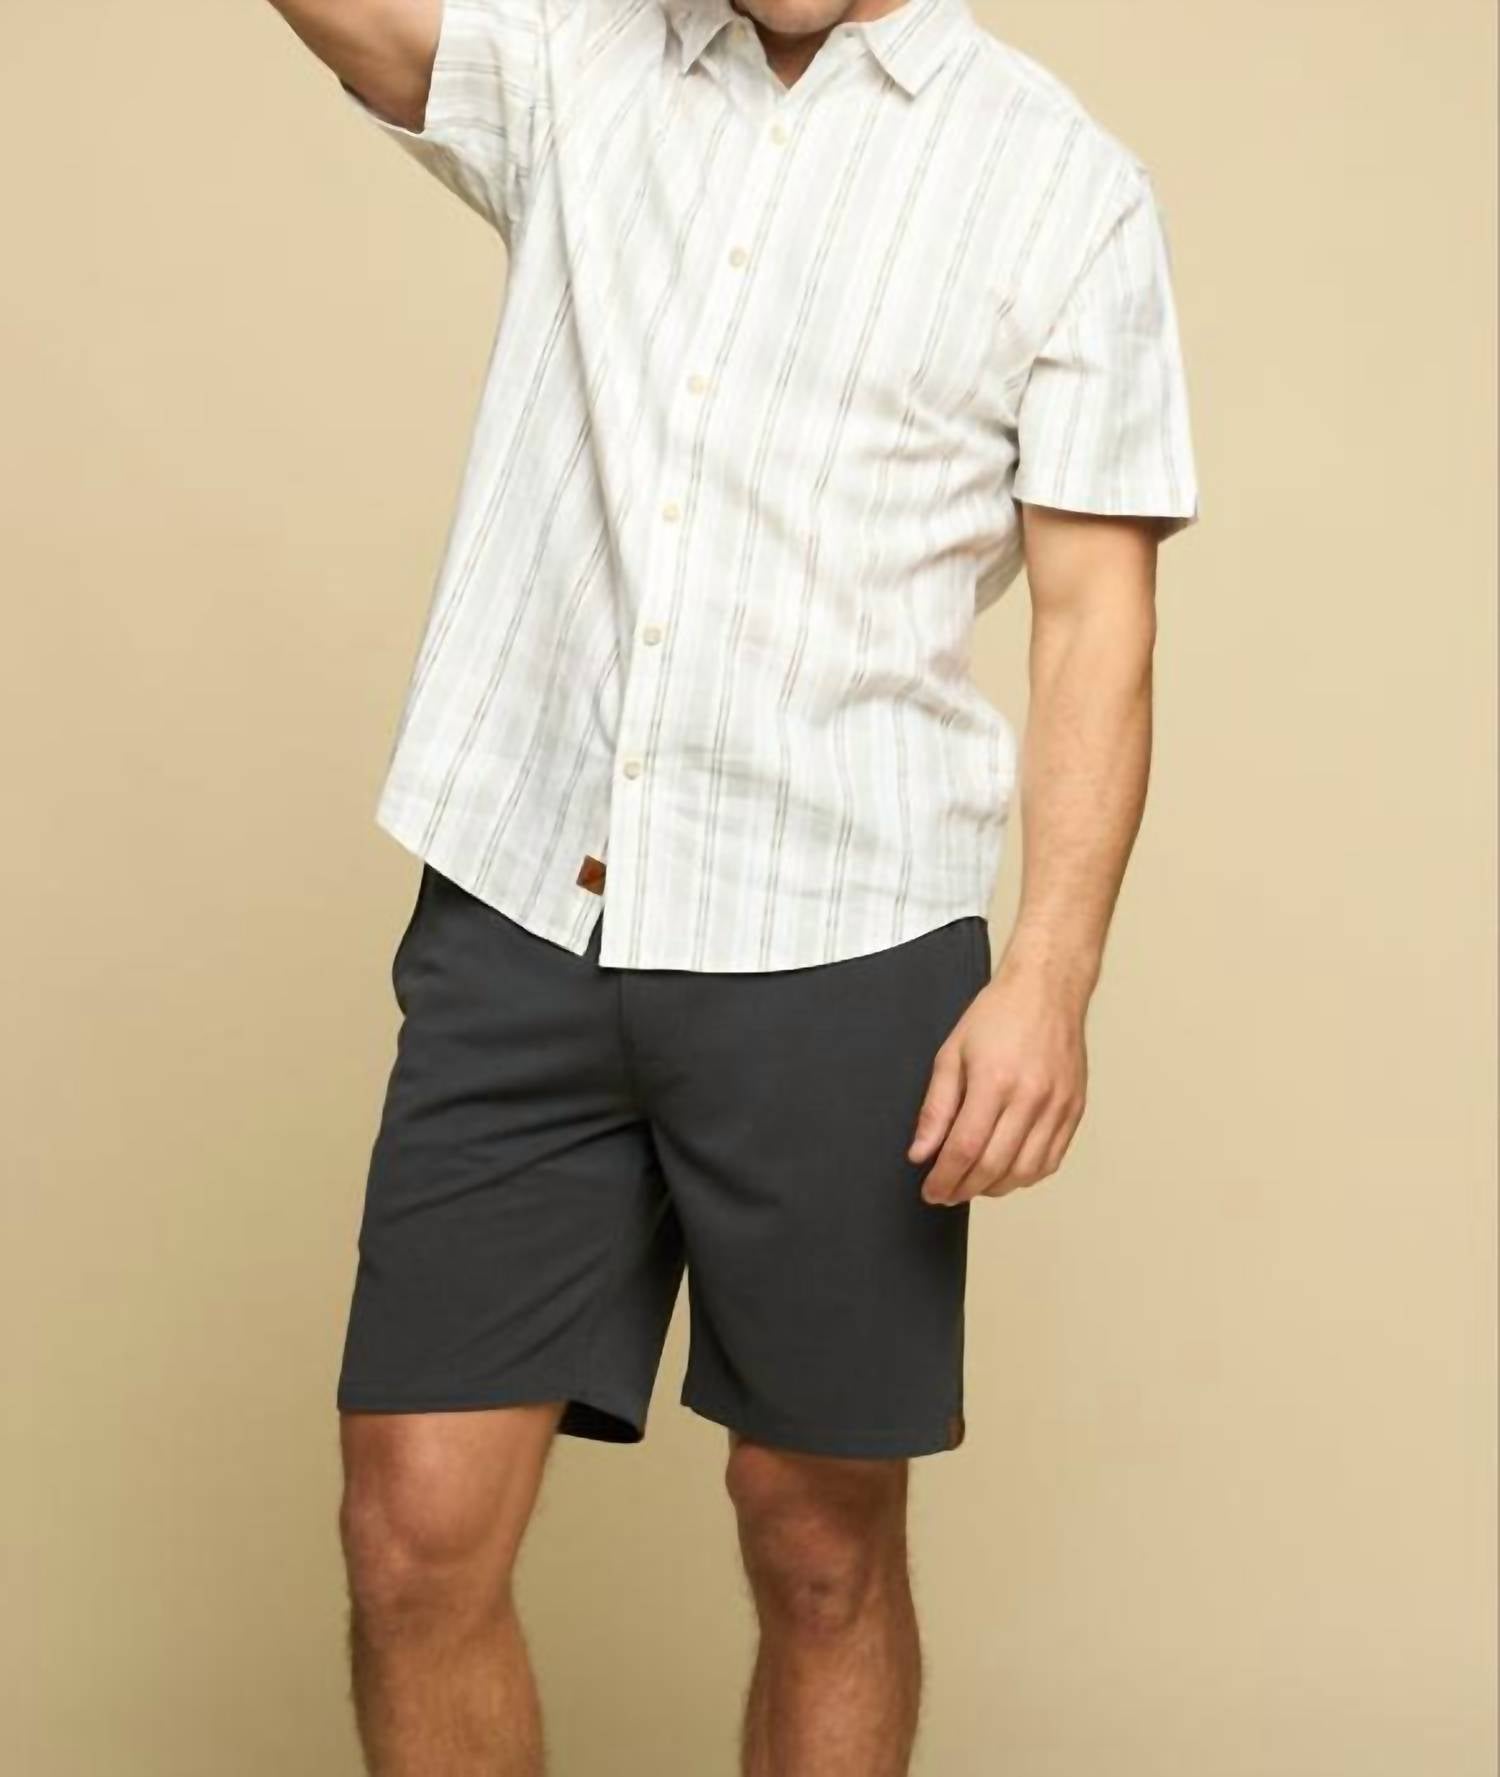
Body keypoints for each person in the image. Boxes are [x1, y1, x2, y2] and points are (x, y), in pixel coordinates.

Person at [264, 0, 1200, 1769]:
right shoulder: (582, 64)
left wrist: (1052, 974)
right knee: (410, 1526)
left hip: (844, 933)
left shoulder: (1060, 183)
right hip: (528, 903)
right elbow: (369, 30)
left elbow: (1097, 621)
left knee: (818, 1540)